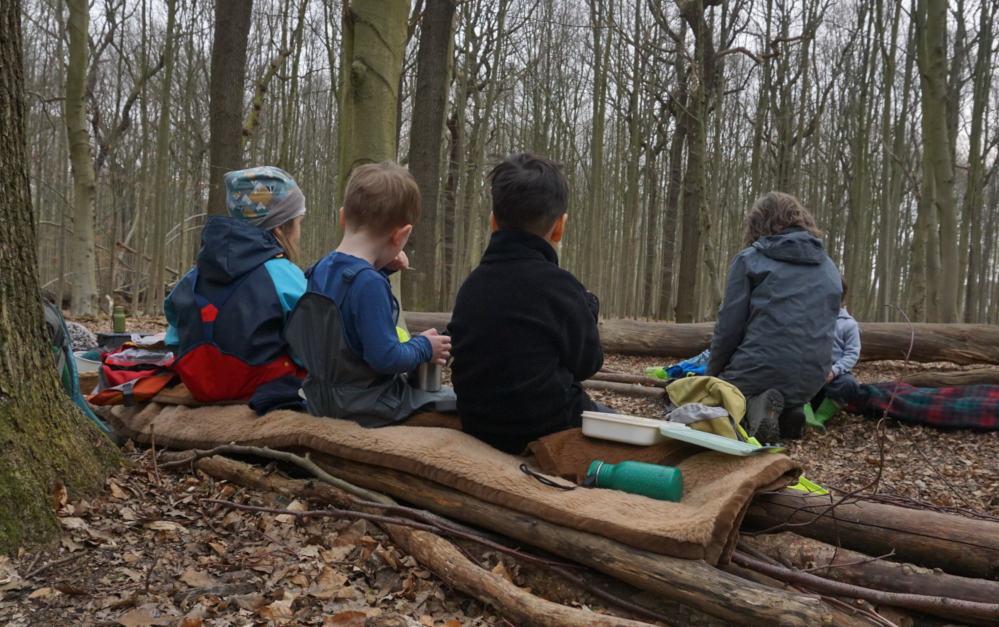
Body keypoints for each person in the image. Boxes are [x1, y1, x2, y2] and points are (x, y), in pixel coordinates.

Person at [448, 152, 608, 455]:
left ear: (494, 222)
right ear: (559, 227)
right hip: (550, 426)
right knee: (615, 425)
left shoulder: (472, 285)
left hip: (478, 425)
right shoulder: (560, 288)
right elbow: (588, 364)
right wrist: (588, 307)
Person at [285, 162, 455, 426]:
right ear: (401, 234)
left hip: (320, 397)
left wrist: (383, 270)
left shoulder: (320, 268)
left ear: (343, 217)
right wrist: (425, 347)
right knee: (453, 402)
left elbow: (346, 309)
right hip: (365, 404)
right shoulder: (369, 284)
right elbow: (386, 358)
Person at [706, 192, 841, 442]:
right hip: (813, 379)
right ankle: (791, 410)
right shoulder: (830, 267)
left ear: (757, 223)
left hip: (760, 370)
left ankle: (755, 405)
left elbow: (729, 329)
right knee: (781, 383)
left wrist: (712, 374)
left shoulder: (749, 260)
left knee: (720, 395)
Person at [165, 166, 307, 402]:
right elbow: (309, 347)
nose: (299, 234)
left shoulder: (191, 278)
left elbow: (174, 340)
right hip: (270, 389)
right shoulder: (285, 275)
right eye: (299, 223)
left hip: (200, 389)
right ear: (280, 227)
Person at [807, 276, 861, 430]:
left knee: (849, 384)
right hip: (809, 370)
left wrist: (834, 371)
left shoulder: (849, 324)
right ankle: (805, 417)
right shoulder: (811, 319)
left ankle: (820, 419)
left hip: (835, 374)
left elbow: (852, 353)